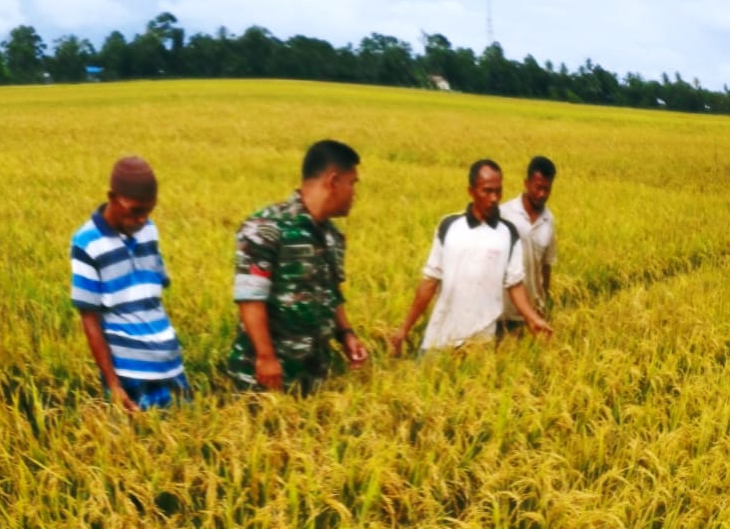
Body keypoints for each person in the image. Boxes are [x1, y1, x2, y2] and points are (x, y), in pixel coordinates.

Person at [226, 139, 369, 394]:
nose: (354, 193)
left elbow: (331, 293)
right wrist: (266, 357)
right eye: (352, 183)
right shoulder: (266, 227)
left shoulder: (332, 236)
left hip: (314, 374)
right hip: (265, 375)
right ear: (333, 181)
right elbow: (250, 298)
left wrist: (346, 334)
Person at [388, 159, 552, 356]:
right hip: (440, 340)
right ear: (471, 191)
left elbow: (515, 284)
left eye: (498, 191)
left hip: (480, 344)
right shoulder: (448, 226)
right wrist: (404, 329)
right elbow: (429, 282)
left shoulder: (509, 233)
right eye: (487, 191)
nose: (494, 198)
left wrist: (533, 319)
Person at [70, 156, 190, 411]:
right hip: (130, 374)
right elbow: (89, 318)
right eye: (135, 210)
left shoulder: (149, 230)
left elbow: (152, 299)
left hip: (171, 366)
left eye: (149, 211)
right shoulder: (86, 242)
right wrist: (113, 385)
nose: (141, 220)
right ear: (113, 198)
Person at [497, 156, 557, 337]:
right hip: (502, 311)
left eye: (547, 189)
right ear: (526, 183)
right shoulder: (504, 214)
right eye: (538, 187)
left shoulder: (549, 221)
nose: (542, 194)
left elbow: (546, 266)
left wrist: (543, 302)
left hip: (531, 314)